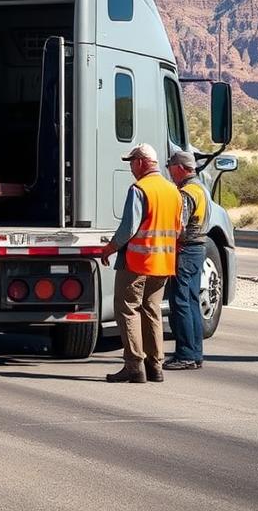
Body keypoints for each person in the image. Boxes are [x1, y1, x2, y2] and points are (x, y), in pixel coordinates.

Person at [99, 143, 183, 383]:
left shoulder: (140, 189)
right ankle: (155, 366)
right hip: (163, 263)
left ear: (140, 162)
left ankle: (134, 366)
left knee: (127, 309)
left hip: (137, 263)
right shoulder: (173, 191)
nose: (131, 168)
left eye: (131, 163)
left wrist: (109, 249)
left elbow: (128, 229)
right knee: (152, 311)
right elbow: (180, 229)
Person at [163, 151, 209, 371]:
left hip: (186, 250)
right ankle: (195, 354)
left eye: (170, 167)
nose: (169, 172)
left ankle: (185, 355)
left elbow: (178, 226)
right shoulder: (201, 189)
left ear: (180, 167)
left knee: (180, 303)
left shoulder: (186, 193)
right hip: (198, 250)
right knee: (191, 303)